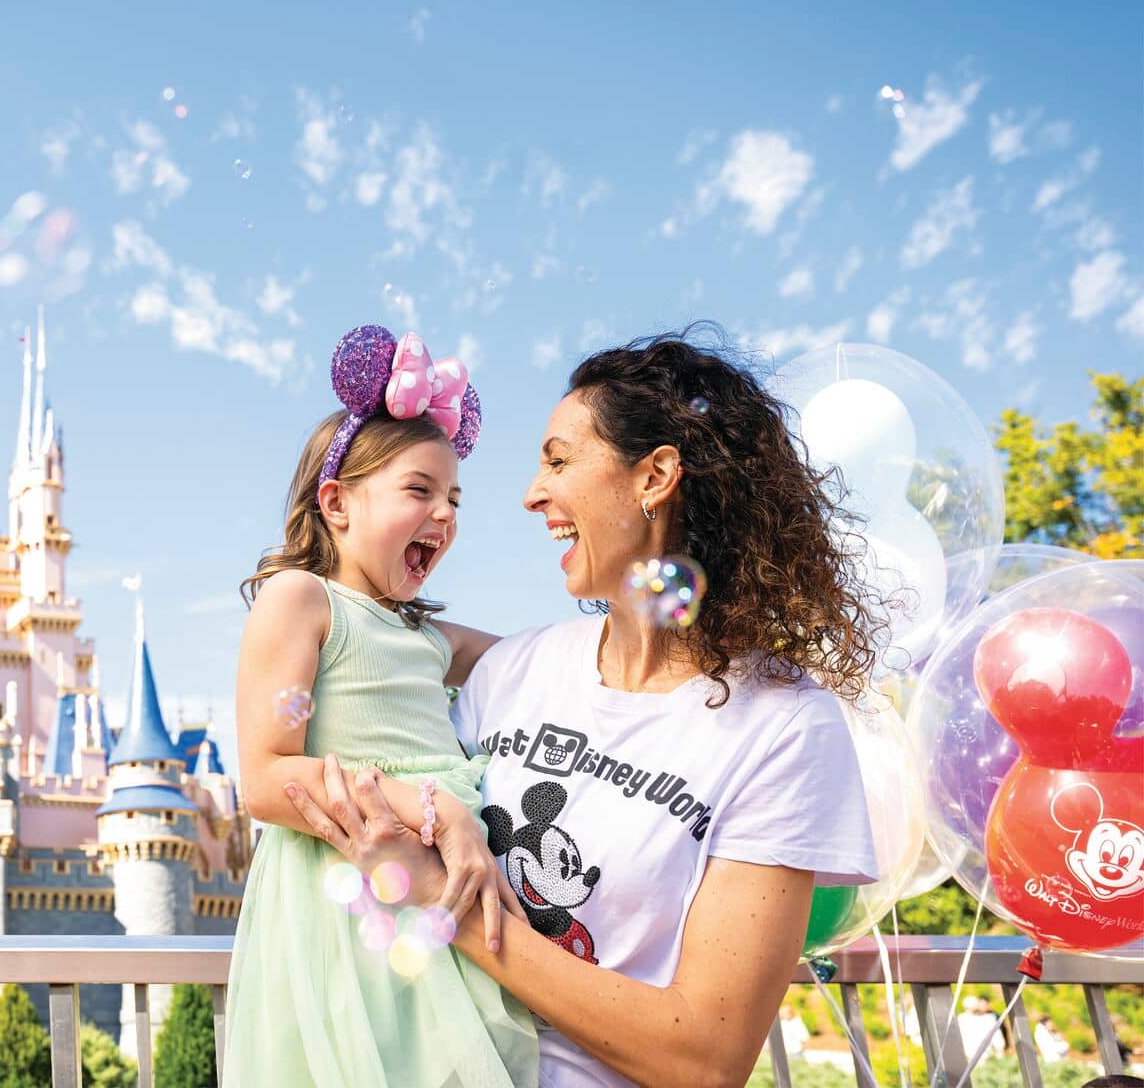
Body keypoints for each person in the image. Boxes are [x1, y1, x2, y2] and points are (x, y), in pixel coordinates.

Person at [286, 327, 882, 1088]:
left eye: (559, 460)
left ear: (655, 476)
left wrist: (449, 903)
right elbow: (359, 645)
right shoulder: (511, 670)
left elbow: (704, 1057)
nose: (532, 493)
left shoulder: (786, 726)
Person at [228, 325, 538, 1087]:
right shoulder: (301, 599)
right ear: (336, 502)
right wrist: (434, 807)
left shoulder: (424, 635)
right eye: (419, 490)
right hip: (351, 911)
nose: (445, 515)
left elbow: (542, 661)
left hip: (446, 895)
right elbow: (267, 781)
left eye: (455, 498)